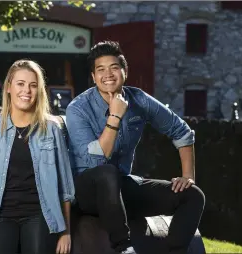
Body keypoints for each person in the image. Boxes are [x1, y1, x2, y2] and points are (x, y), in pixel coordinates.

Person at [65, 41, 205, 254]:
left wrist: (187, 176)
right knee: (106, 173)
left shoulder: (138, 99)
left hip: (122, 186)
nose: (108, 74)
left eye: (114, 68)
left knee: (193, 195)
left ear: (125, 71)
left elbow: (182, 131)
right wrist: (115, 115)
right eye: (100, 70)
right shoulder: (78, 108)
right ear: (93, 78)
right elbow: (97, 161)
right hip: (87, 191)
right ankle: (124, 248)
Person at [0, 60, 75, 254]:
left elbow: (65, 186)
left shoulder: (52, 129)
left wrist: (66, 231)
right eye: (20, 84)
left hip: (40, 215)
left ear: (39, 91)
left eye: (33, 85)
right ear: (8, 87)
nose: (26, 90)